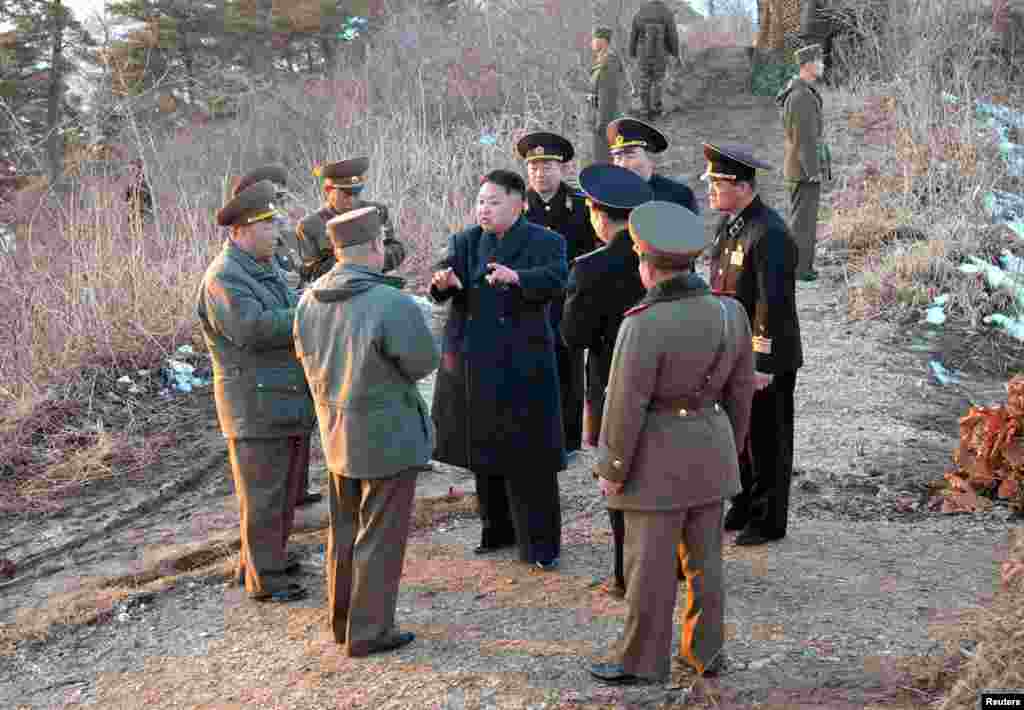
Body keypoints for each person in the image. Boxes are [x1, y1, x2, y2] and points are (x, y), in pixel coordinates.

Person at [588, 200, 755, 685]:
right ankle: (706, 652)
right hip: (712, 451)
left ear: (646, 264)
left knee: (650, 571)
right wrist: (733, 447)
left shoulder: (642, 324)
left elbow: (623, 407)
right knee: (706, 566)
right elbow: (741, 393)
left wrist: (611, 469)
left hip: (654, 464)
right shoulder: (731, 313)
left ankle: (641, 661)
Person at [294, 205, 439, 657]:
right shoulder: (390, 303)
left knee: (344, 531)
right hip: (389, 437)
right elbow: (422, 362)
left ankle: (344, 622)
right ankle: (370, 631)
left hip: (337, 433)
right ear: (376, 246)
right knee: (380, 536)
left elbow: (304, 357)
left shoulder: (308, 299)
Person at [430, 169, 567, 570]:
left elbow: (559, 279)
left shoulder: (546, 240)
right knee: (483, 452)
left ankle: (540, 545)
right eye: (480, 202)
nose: (483, 209)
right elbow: (440, 289)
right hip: (474, 364)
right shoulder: (466, 240)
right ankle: (496, 530)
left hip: (522, 365)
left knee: (530, 459)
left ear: (518, 203)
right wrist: (445, 283)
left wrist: (518, 278)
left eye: (492, 202)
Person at [196, 180, 316, 603]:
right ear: (238, 231)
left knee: (280, 493)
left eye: (273, 224)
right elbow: (252, 328)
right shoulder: (224, 277)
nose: (274, 232)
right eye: (265, 226)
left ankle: (267, 561)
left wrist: (305, 303)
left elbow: (283, 309)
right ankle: (266, 579)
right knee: (263, 496)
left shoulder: (259, 267)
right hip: (256, 405)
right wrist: (308, 313)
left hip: (280, 399)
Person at [703, 142, 803, 547]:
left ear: (742, 186)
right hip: (732, 351)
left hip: (765, 358)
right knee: (737, 434)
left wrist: (762, 363)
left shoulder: (770, 233)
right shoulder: (729, 227)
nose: (709, 189)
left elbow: (772, 304)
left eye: (717, 182)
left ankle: (768, 517)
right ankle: (744, 501)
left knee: (767, 438)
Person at [560, 163, 652, 599]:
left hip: (609, 384)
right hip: (660, 384)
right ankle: (664, 565)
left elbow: (572, 336)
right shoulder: (657, 255)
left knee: (617, 481)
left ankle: (624, 573)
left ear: (598, 214)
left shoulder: (590, 268)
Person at [231, 165, 323, 507]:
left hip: (291, 346)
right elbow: (253, 325)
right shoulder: (242, 256)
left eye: (281, 199)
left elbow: (297, 277)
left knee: (300, 423)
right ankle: (289, 495)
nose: (280, 208)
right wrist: (306, 310)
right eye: (274, 200)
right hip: (265, 370)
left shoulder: (280, 240)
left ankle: (296, 489)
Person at [517, 131, 596, 456]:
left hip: (568, 302)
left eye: (547, 165)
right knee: (528, 370)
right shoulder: (516, 206)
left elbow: (593, 253)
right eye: (533, 166)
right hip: (528, 303)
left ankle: (569, 439)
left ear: (562, 167)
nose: (540, 172)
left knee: (568, 371)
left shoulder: (581, 205)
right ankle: (532, 435)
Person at [295, 157, 406, 284]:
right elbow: (310, 272)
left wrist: (376, 257)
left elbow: (396, 249)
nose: (352, 201)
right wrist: (351, 260)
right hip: (338, 292)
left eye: (356, 194)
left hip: (377, 285)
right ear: (328, 191)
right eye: (346, 195)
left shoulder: (376, 212)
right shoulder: (310, 226)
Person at [776, 43, 830, 282]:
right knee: (803, 223)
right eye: (819, 61)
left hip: (798, 167)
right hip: (802, 169)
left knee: (802, 221)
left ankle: (800, 266)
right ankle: (800, 269)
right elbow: (804, 138)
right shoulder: (801, 96)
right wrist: (813, 170)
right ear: (807, 65)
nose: (823, 65)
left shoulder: (799, 92)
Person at [606, 118, 698, 214]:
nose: (623, 165)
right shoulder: (605, 198)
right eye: (618, 157)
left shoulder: (679, 196)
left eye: (630, 156)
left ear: (650, 159)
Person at [628, 0, 681, 120]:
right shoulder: (666, 12)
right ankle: (656, 108)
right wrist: (675, 52)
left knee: (644, 80)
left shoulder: (640, 12)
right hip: (660, 52)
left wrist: (632, 52)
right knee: (658, 80)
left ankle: (645, 109)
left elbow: (634, 34)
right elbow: (672, 35)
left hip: (642, 53)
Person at [589, 26, 623, 165]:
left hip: (605, 121)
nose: (591, 43)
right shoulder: (602, 60)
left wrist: (602, 123)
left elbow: (608, 93)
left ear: (602, 41)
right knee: (602, 160)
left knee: (606, 161)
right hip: (600, 118)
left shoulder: (609, 62)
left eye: (594, 39)